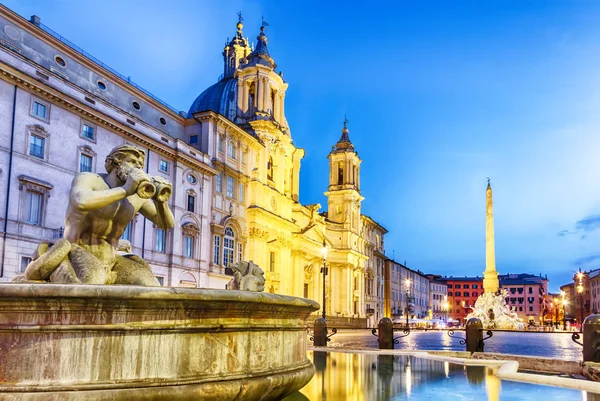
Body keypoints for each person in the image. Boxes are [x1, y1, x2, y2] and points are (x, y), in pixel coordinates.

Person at [20, 144, 174, 286]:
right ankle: (43, 265)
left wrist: (161, 202)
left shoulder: (137, 196)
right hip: (77, 250)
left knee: (150, 285)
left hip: (112, 259)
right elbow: (80, 200)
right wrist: (125, 190)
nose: (138, 169)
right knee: (94, 282)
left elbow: (166, 224)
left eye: (140, 166)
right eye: (132, 162)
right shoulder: (89, 179)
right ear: (114, 163)